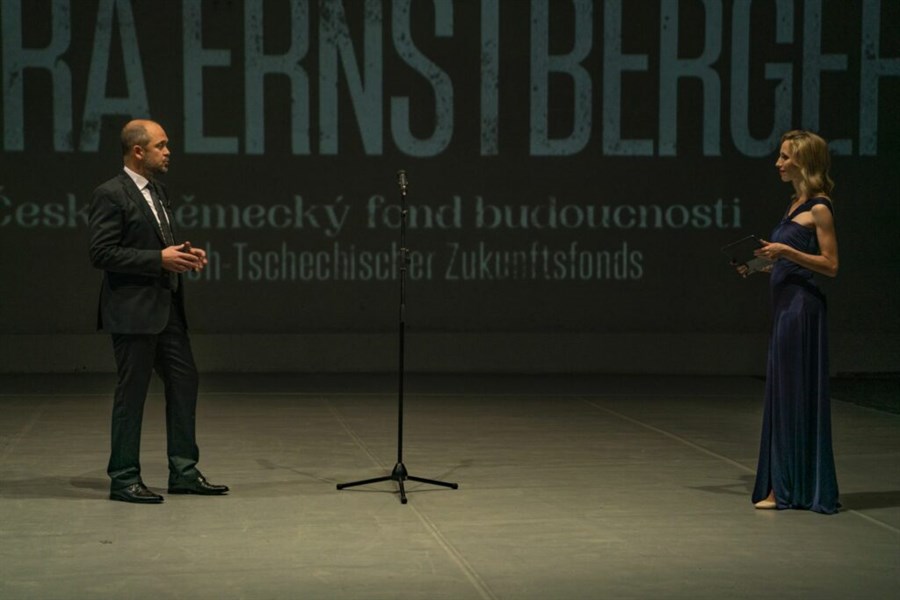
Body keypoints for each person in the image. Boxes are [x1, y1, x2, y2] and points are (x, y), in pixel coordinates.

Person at [89, 119, 228, 504]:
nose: (168, 152)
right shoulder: (110, 194)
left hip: (167, 310)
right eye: (161, 146)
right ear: (138, 151)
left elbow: (157, 245)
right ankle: (124, 478)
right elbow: (101, 253)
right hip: (133, 312)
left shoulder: (159, 192)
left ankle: (183, 472)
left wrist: (182, 255)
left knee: (185, 382)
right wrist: (158, 259)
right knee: (131, 395)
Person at [736, 130, 840, 514]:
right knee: (783, 393)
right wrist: (761, 264)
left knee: (792, 394)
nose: (778, 163)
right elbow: (789, 260)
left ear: (804, 162)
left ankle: (785, 488)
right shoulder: (793, 205)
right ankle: (787, 483)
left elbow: (830, 265)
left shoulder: (820, 208)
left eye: (785, 157)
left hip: (801, 311)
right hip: (784, 308)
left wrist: (786, 251)